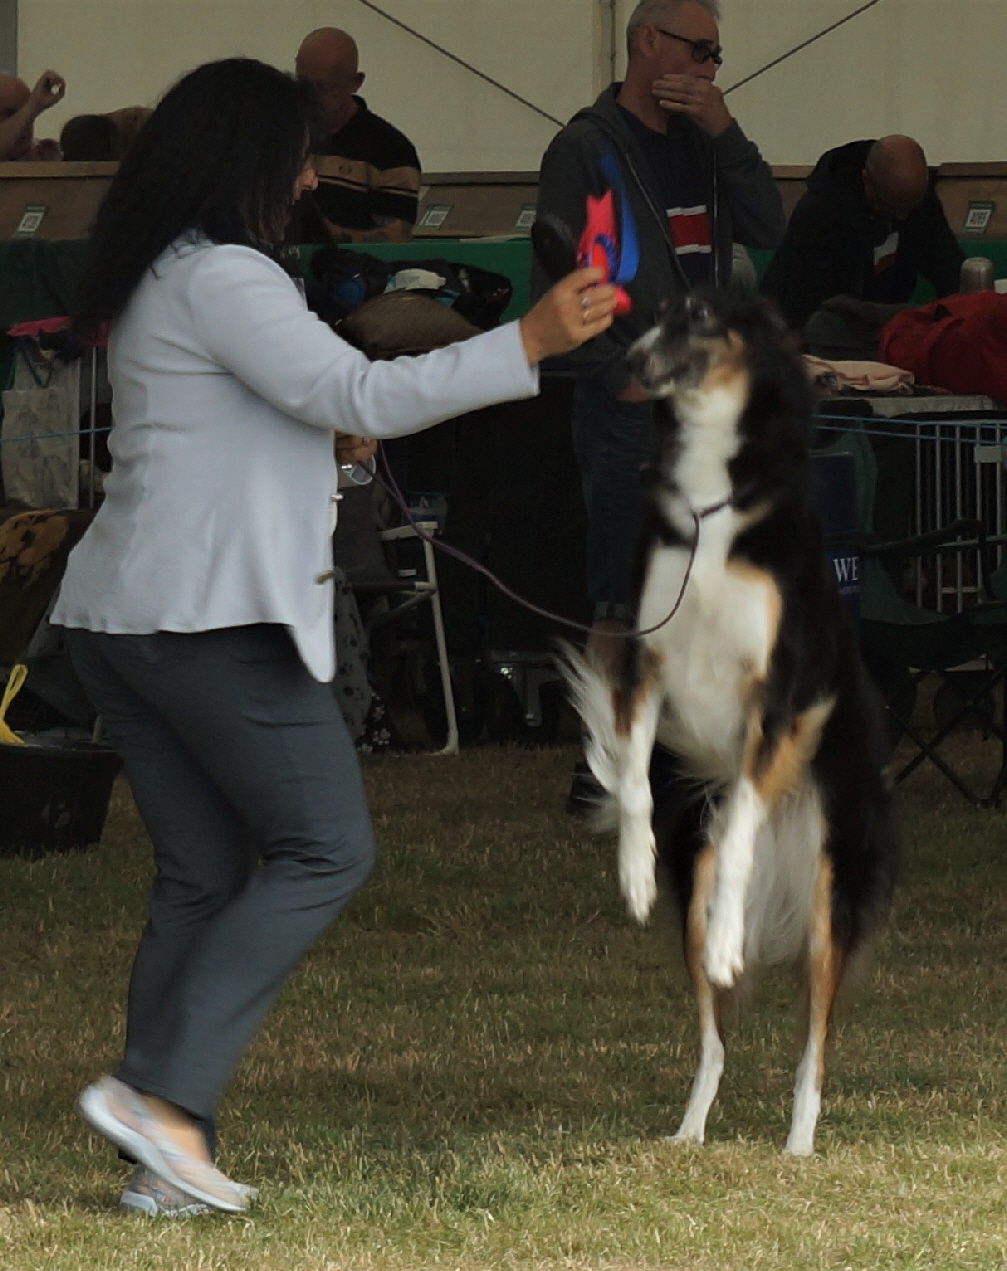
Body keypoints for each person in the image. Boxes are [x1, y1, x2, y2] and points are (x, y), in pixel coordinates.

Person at [56, 56, 615, 1219]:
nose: (313, 174)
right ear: (245, 163)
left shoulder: (172, 269)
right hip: (210, 618)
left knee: (204, 876)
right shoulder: (227, 275)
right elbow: (356, 392)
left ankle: (164, 1150)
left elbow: (256, 420)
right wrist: (527, 342)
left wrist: (325, 450)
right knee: (326, 847)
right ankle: (160, 1096)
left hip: (128, 616)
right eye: (297, 155)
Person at [531, 0, 783, 805]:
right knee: (623, 583)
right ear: (648, 44)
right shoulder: (586, 147)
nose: (710, 68)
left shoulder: (707, 146)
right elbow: (558, 271)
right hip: (630, 400)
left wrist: (726, 130)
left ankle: (679, 753)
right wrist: (616, 376)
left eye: (717, 55)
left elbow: (769, 225)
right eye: (699, 51)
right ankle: (601, 762)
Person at [761, 135, 965, 333]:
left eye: (911, 208)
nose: (903, 217)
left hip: (881, 327)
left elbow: (947, 265)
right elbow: (803, 306)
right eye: (892, 207)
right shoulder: (820, 213)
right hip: (812, 328)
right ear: (866, 179)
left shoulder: (916, 198)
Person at [293, 27, 420, 243]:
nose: (310, 98)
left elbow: (396, 239)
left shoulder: (391, 151)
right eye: (302, 84)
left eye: (322, 88)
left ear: (355, 83)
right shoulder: (280, 135)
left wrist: (329, 236)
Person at [0, 70, 65, 160]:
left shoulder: (47, 154)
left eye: (31, 114)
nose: (25, 122)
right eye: (10, 114)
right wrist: (32, 106)